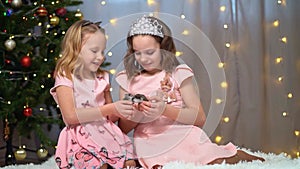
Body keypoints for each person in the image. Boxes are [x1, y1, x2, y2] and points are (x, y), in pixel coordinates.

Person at [115, 16, 265, 169]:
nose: (143, 59)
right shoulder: (128, 79)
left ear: (164, 48)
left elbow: (199, 118)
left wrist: (164, 109)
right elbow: (123, 128)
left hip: (182, 134)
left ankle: (235, 155)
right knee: (162, 165)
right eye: (137, 53)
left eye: (149, 52)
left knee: (210, 159)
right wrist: (139, 113)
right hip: (149, 139)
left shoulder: (178, 73)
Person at [50, 20, 139, 169]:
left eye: (102, 51)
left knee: (129, 163)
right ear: (76, 49)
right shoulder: (65, 76)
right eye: (94, 51)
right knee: (96, 165)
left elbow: (110, 117)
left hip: (107, 133)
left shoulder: (102, 77)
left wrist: (123, 107)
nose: (101, 57)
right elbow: (70, 117)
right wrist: (111, 108)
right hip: (81, 137)